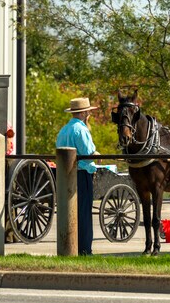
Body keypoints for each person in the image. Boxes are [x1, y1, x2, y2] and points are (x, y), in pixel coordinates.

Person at [56, 97, 99, 255]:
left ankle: (69, 247)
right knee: (84, 213)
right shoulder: (81, 130)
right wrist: (97, 155)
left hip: (65, 175)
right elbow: (88, 153)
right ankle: (84, 249)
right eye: (88, 112)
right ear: (84, 113)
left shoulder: (64, 130)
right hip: (82, 174)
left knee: (69, 213)